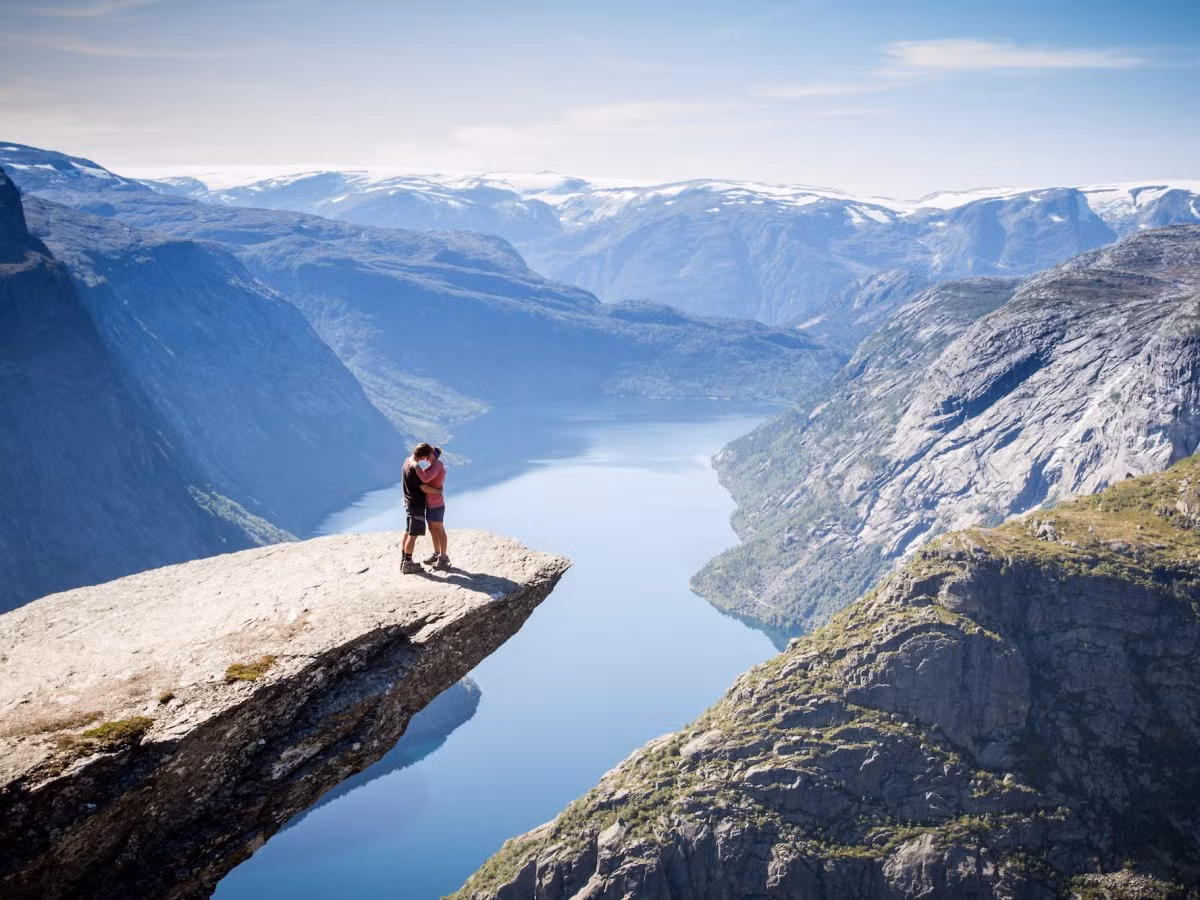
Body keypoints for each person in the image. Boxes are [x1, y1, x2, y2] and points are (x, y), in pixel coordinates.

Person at [400, 443, 438, 574]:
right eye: (426, 456)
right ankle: (408, 564)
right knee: (413, 534)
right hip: (416, 505)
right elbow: (424, 488)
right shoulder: (413, 470)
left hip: (409, 503)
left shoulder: (407, 461)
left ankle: (404, 559)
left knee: (408, 532)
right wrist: (438, 491)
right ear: (422, 456)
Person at [415, 445, 450, 570]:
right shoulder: (431, 467)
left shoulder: (437, 466)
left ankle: (444, 557)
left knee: (439, 529)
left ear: (433, 455)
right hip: (429, 504)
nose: (425, 458)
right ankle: (437, 553)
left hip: (436, 504)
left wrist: (415, 465)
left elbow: (426, 478)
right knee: (432, 529)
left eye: (427, 455)